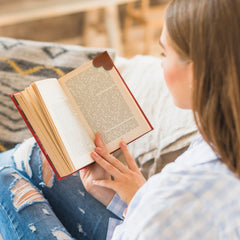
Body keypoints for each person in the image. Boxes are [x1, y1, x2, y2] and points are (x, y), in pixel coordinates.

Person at [0, 0, 240, 239]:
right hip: (140, 219)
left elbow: (165, 214)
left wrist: (149, 199)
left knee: (4, 177)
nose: (161, 64)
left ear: (198, 70)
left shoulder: (176, 194)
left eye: (164, 53)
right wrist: (137, 196)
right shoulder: (216, 142)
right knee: (38, 155)